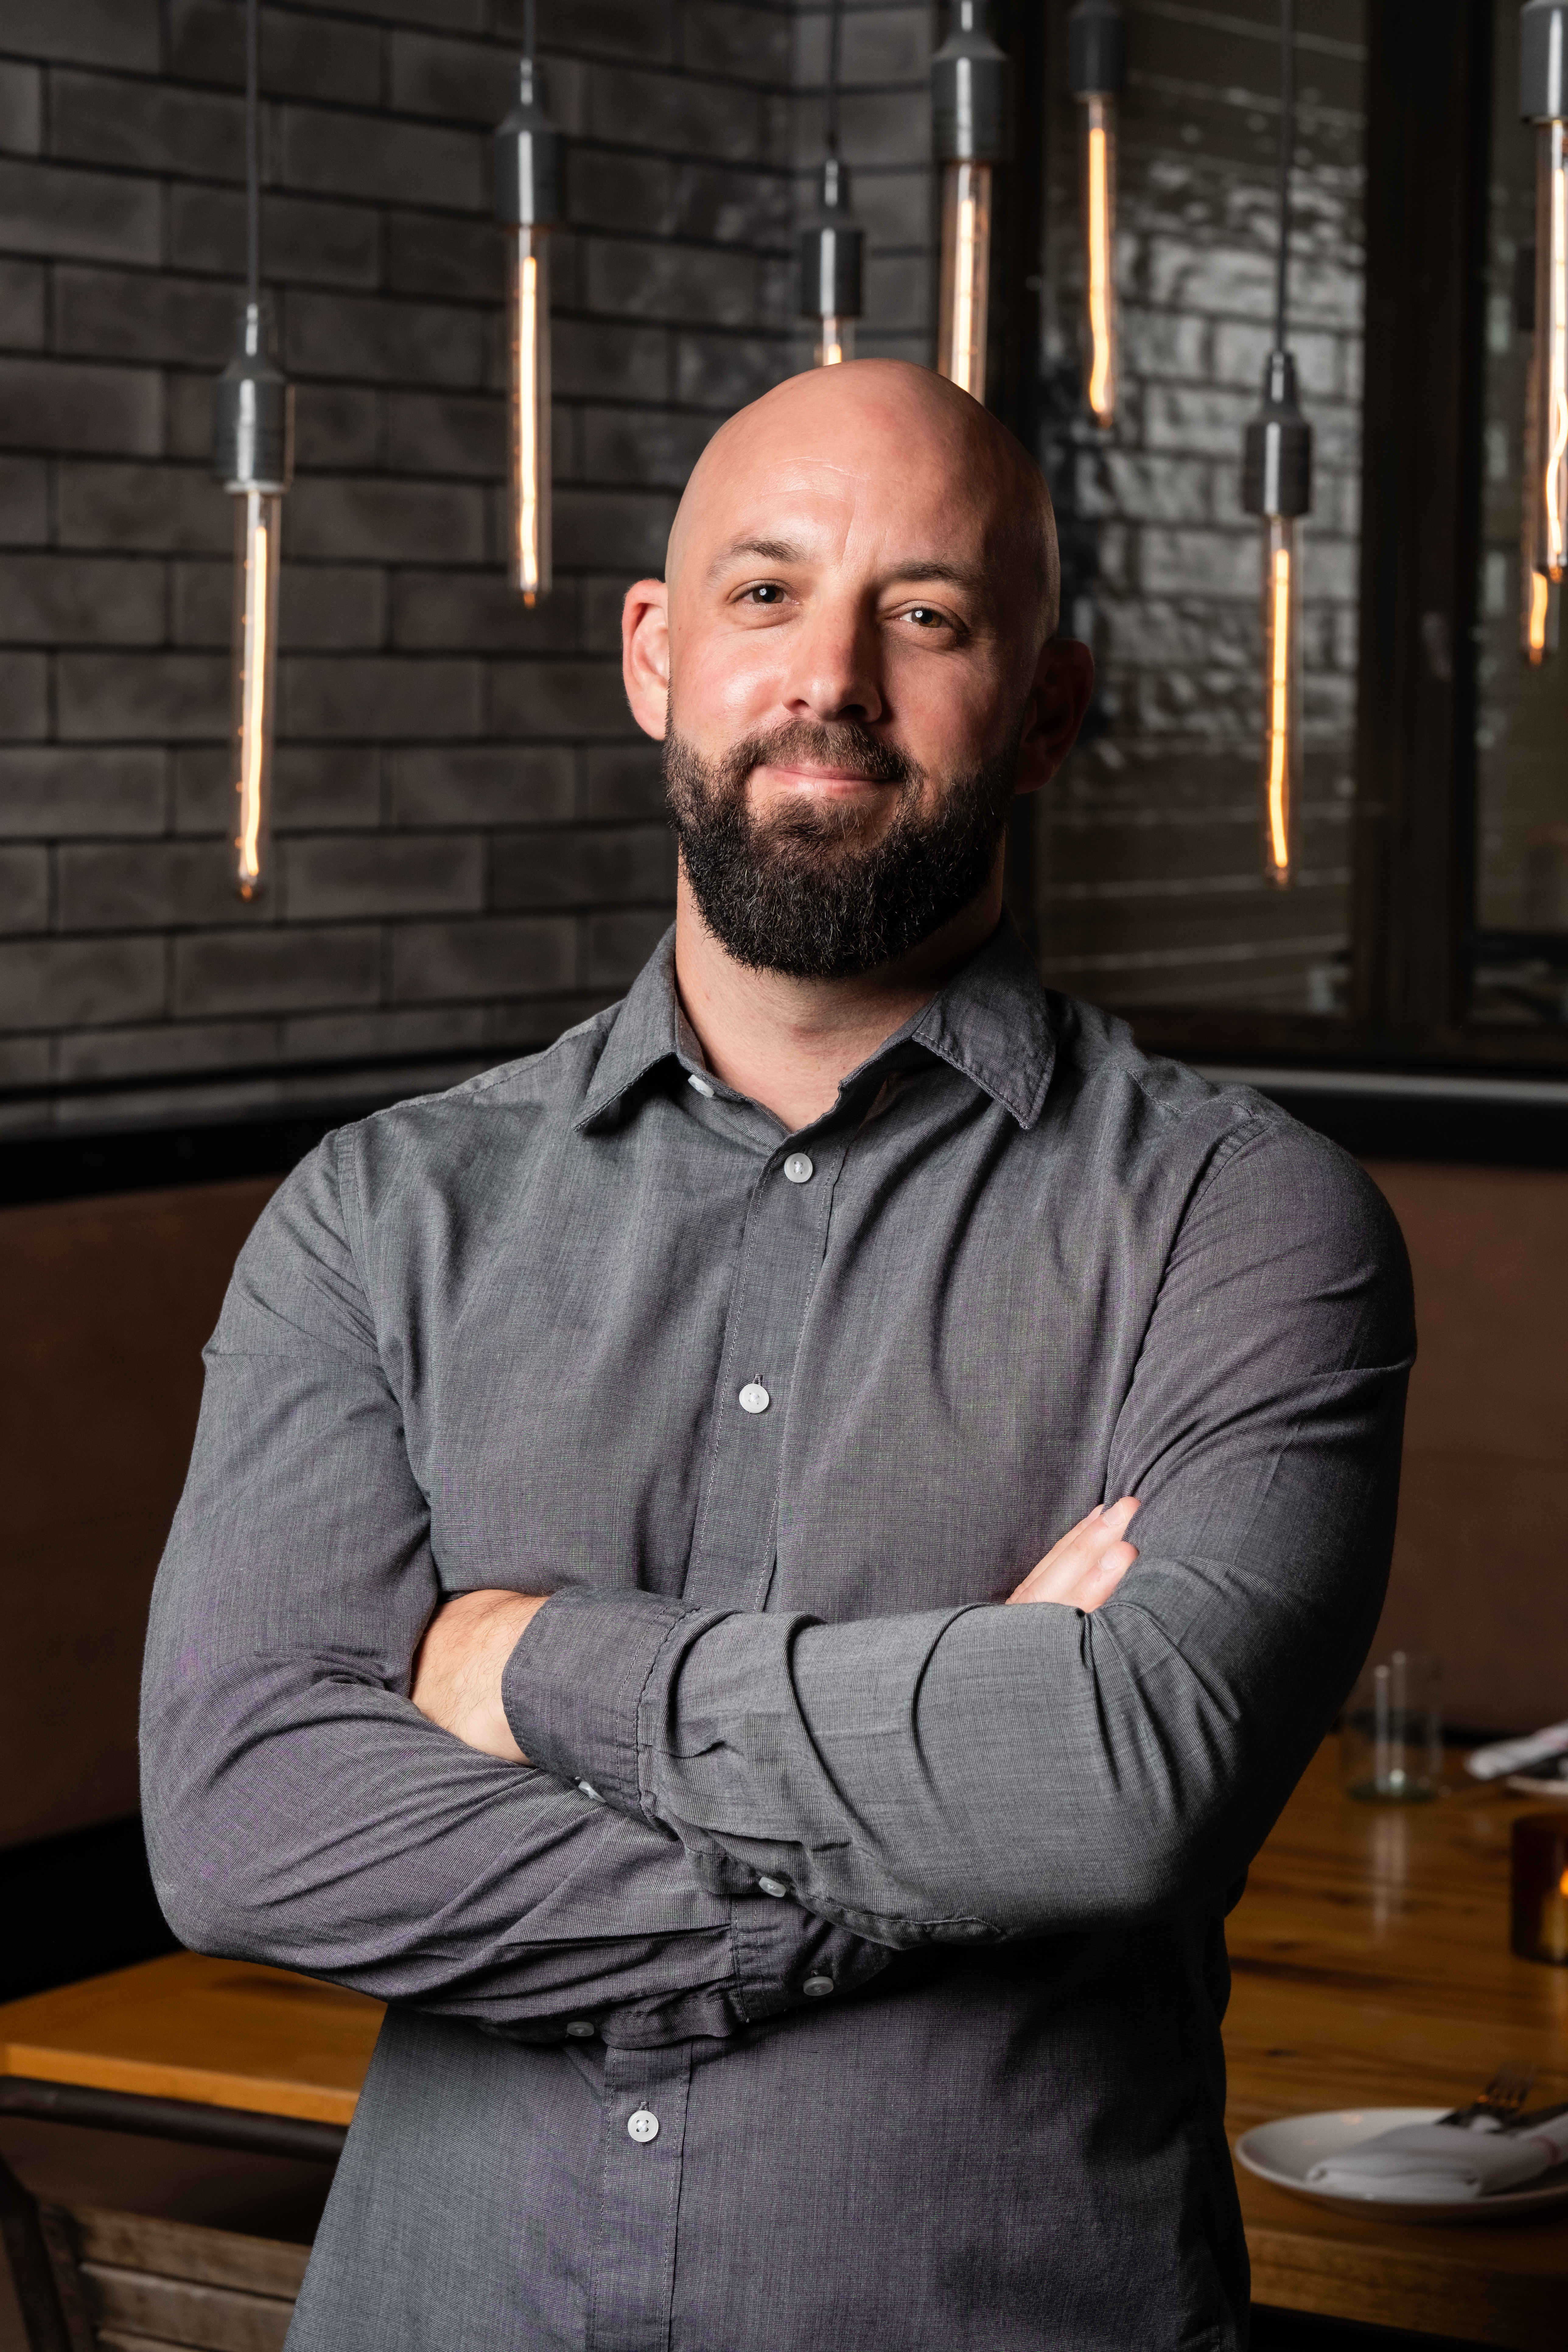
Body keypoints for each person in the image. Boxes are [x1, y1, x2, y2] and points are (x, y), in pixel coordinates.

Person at [141, 360, 1413, 2351]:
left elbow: (1124, 1779)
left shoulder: (1239, 1222)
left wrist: (528, 1663)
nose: (830, 674)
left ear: (1049, 706)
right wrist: (938, 1835)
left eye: (926, 614)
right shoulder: (378, 1217)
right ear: (657, 654)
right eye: (763, 596)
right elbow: (244, 1826)